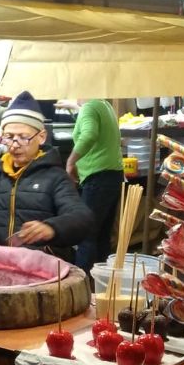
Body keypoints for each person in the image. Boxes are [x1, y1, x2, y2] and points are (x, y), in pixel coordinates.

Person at [0, 91, 94, 259]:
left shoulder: (56, 178)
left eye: (23, 137)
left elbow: (82, 218)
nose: (14, 145)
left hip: (43, 272)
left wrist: (52, 228)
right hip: (3, 268)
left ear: (41, 137)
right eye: (9, 137)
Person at [66, 99, 125, 273]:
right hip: (112, 176)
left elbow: (89, 134)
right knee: (102, 235)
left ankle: (80, 284)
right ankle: (101, 283)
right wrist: (75, 107)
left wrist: (71, 161)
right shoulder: (104, 106)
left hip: (97, 177)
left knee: (86, 234)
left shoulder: (90, 107)